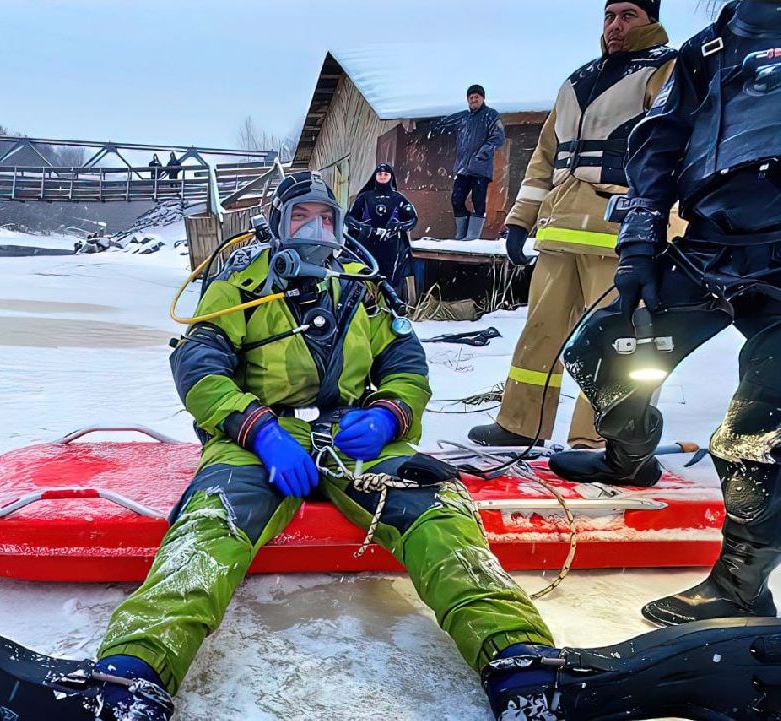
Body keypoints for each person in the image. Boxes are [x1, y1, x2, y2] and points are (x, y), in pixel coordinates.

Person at [87, 173, 781, 721]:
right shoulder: (235, 288)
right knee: (209, 528)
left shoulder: (361, 286)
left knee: (441, 518)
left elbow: (406, 362)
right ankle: (134, 673)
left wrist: (390, 416)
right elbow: (199, 365)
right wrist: (256, 429)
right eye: (302, 217)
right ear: (276, 224)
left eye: (325, 217)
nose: (316, 229)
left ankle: (522, 662)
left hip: (355, 434)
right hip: (258, 439)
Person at [548, 0, 781, 628]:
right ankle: (631, 456)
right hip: (710, 247)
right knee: (600, 349)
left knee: (759, 432)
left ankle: (739, 586)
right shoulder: (710, 48)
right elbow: (657, 143)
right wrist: (640, 245)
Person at [468, 0, 677, 450]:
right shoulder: (577, 80)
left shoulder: (667, 72)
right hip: (560, 232)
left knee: (616, 342)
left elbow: (674, 153)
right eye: (609, 15)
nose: (615, 25)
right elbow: (544, 156)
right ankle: (521, 423)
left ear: (652, 20)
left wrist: (661, 226)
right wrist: (520, 220)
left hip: (621, 236)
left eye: (628, 15)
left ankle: (602, 439)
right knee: (539, 335)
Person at [441, 85, 506, 240]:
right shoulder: (463, 117)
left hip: (480, 168)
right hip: (462, 168)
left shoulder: (490, 115)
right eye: (470, 97)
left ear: (483, 98)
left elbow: (499, 137)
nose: (473, 100)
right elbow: (443, 123)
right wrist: (421, 125)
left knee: (478, 202)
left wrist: (481, 153)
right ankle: (461, 234)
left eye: (476, 97)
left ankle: (472, 236)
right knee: (456, 200)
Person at [345, 162, 419, 291]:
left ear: (391, 176)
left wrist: (399, 226)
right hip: (366, 245)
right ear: (375, 176)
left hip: (390, 246)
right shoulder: (364, 197)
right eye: (380, 174)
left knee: (387, 279)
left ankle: (386, 306)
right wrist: (362, 227)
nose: (383, 176)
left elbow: (413, 220)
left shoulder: (398, 198)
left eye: (386, 174)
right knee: (365, 276)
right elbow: (348, 219)